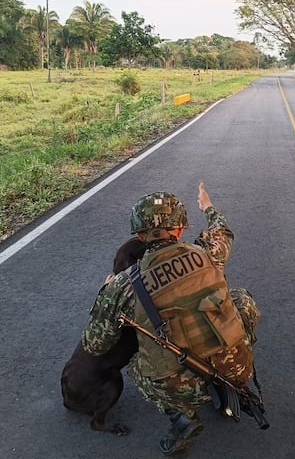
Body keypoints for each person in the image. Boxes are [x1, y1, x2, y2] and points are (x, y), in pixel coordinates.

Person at [82, 182, 259, 455]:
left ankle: (181, 417)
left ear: (140, 236)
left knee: (135, 362)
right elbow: (223, 231)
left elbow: (94, 346)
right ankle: (233, 382)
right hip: (238, 367)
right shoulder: (207, 252)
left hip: (180, 390)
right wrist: (208, 206)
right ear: (179, 229)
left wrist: (106, 291)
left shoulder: (123, 285)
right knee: (241, 299)